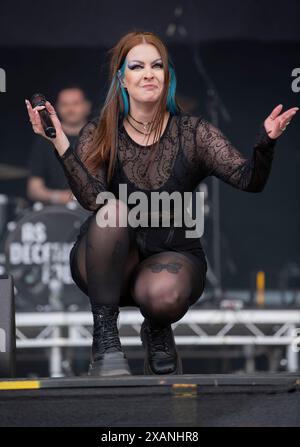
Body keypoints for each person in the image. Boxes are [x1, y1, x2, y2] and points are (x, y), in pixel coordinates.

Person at [25, 31, 298, 377]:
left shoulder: (193, 132)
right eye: (137, 66)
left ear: (167, 76)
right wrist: (60, 142)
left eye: (157, 65)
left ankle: (156, 328)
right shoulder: (100, 132)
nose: (149, 73)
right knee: (112, 210)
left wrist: (266, 143)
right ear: (122, 78)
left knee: (164, 295)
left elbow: (249, 180)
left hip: (171, 256)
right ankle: (106, 339)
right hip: (110, 263)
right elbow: (92, 198)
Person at [26, 85, 92, 205]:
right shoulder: (44, 140)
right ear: (56, 108)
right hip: (56, 210)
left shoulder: (100, 137)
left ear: (87, 106)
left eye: (76, 103)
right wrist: (59, 197)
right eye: (64, 104)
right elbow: (33, 188)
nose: (70, 109)